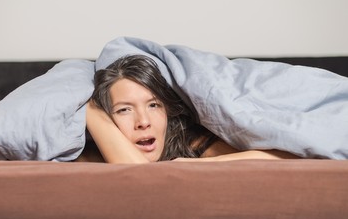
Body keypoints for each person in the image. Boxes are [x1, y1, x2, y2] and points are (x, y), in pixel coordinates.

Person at [77, 55, 298, 163]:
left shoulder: (189, 140)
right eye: (124, 110)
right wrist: (91, 110)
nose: (143, 121)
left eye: (154, 105)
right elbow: (139, 175)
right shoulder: (86, 151)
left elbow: (282, 158)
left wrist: (191, 165)